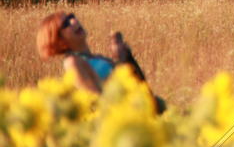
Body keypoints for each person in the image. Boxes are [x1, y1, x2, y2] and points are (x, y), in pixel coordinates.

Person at [37, 12, 166, 112]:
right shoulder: (72, 62)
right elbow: (95, 100)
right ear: (59, 40)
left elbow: (137, 82)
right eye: (66, 24)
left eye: (72, 16)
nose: (74, 21)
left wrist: (125, 56)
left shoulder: (97, 58)